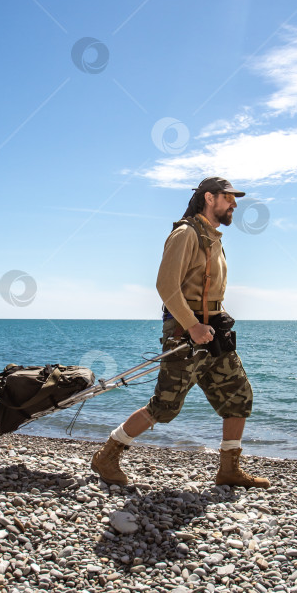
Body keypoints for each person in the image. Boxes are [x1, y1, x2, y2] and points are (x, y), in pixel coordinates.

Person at [91, 177, 270, 489]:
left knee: (239, 397)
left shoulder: (212, 237)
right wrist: (192, 326)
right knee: (165, 406)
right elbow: (165, 286)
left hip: (213, 331)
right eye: (229, 198)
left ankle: (229, 470)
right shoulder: (186, 233)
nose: (235, 204)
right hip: (187, 333)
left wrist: (210, 324)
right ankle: (106, 456)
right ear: (210, 198)